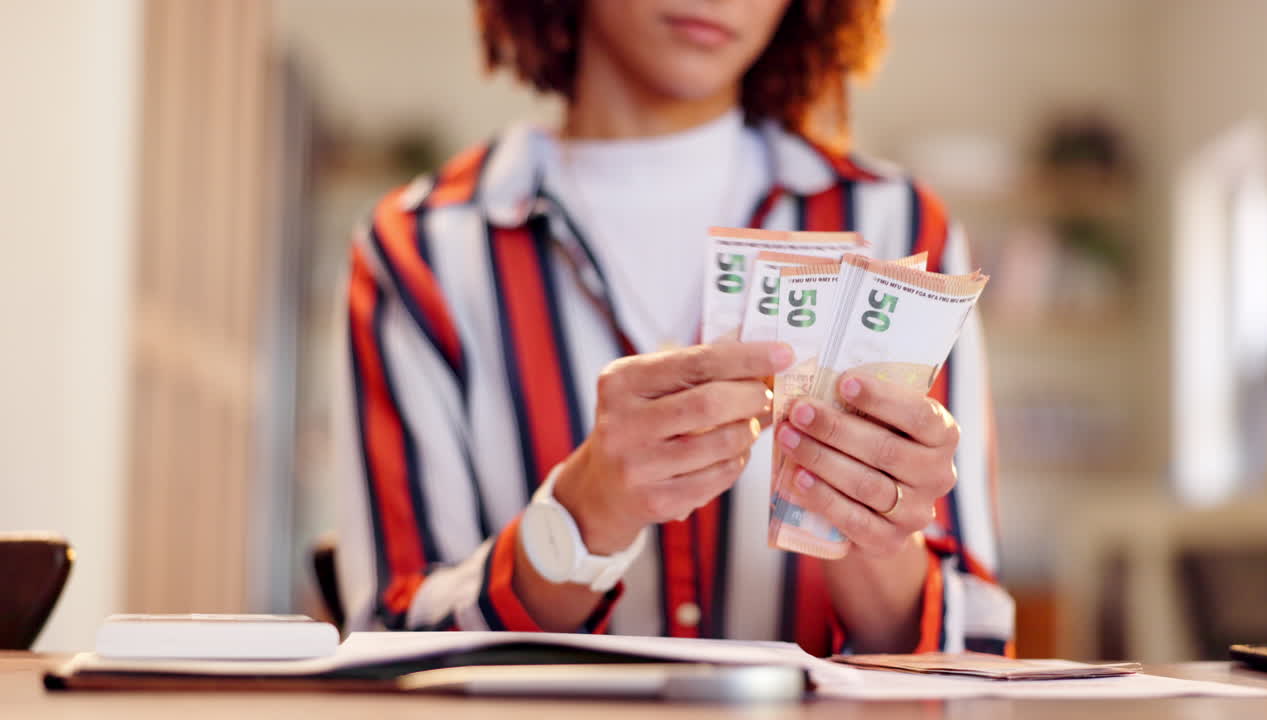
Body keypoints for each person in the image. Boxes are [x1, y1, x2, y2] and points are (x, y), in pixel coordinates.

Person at [336, 0, 1013, 656]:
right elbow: (393, 646)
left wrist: (871, 529)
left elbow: (974, 654)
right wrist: (580, 518)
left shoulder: (902, 230)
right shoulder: (420, 253)